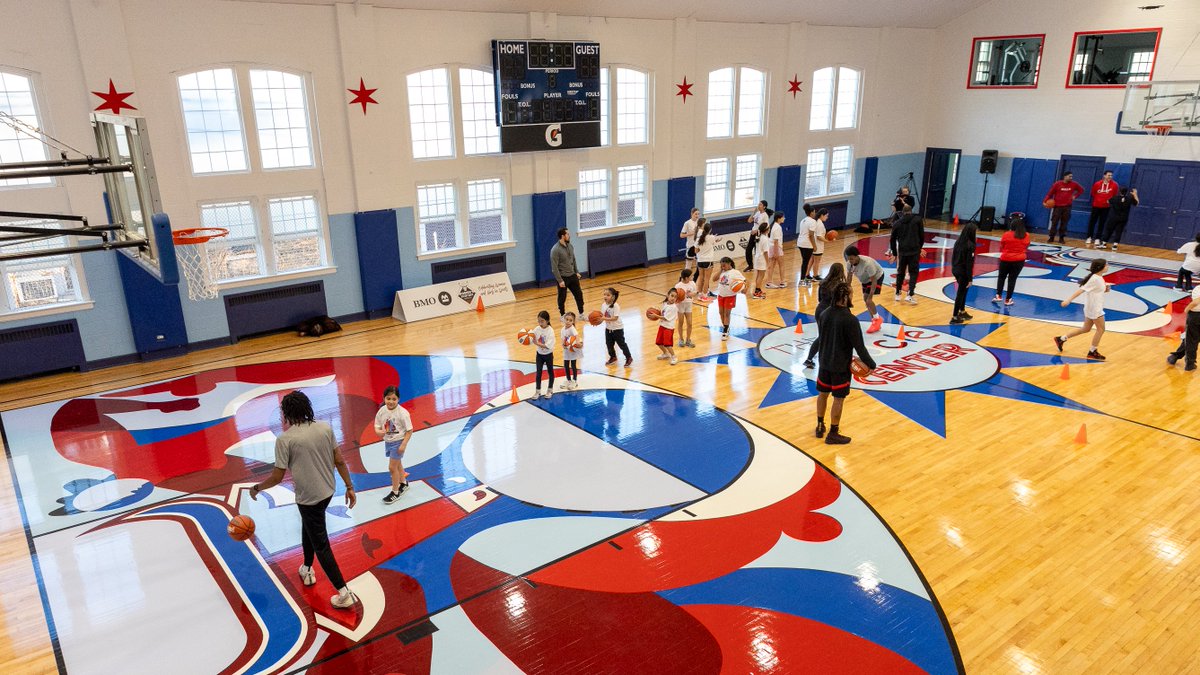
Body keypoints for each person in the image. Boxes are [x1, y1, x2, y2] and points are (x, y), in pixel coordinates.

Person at [250, 390, 358, 610]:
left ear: (287, 413)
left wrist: (257, 488)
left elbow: (277, 476)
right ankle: (307, 568)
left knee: (322, 544)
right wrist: (349, 486)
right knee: (310, 527)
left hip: (308, 498)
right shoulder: (325, 428)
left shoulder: (285, 439)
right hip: (328, 491)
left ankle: (343, 592)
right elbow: (339, 460)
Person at [810, 282, 877, 445]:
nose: (853, 297)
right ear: (845, 297)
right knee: (838, 399)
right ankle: (833, 433)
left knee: (822, 394)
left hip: (824, 363)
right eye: (851, 294)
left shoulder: (825, 314)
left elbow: (820, 339)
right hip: (840, 367)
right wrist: (871, 364)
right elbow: (859, 347)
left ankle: (820, 426)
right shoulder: (850, 320)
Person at [1055, 258, 1110, 361]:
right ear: (1100, 267)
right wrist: (1068, 300)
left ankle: (1061, 339)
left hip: (1091, 307)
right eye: (1106, 265)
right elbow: (1081, 290)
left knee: (1086, 329)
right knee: (1101, 329)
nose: (1108, 267)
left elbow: (1095, 291)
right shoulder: (1094, 278)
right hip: (1095, 308)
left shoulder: (1099, 277)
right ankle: (1092, 351)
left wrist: (1105, 290)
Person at [374, 385, 413, 504]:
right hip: (388, 441)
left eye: (394, 399)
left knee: (392, 467)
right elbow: (377, 425)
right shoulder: (382, 410)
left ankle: (395, 492)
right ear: (384, 398)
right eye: (388, 398)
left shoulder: (403, 413)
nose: (391, 401)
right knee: (398, 464)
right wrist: (378, 431)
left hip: (398, 442)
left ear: (398, 399)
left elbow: (409, 430)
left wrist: (404, 444)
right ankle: (404, 483)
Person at [803, 262, 846, 368]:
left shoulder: (823, 283)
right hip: (831, 312)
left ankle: (819, 357)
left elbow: (819, 299)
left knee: (824, 335)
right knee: (825, 337)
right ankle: (809, 359)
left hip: (820, 310)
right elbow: (841, 302)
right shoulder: (839, 286)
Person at [888, 205, 925, 305]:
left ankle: (898, 293)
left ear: (902, 212)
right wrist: (919, 247)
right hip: (914, 250)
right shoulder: (917, 220)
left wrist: (895, 253)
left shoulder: (897, 223)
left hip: (903, 251)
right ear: (911, 211)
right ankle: (910, 294)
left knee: (901, 271)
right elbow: (922, 236)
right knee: (913, 272)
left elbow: (892, 239)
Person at [844, 245, 885, 333]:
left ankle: (877, 320)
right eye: (848, 259)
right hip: (865, 279)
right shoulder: (849, 263)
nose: (850, 261)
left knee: (867, 299)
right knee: (865, 300)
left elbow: (874, 281)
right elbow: (849, 278)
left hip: (876, 277)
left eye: (851, 258)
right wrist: (846, 291)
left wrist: (870, 297)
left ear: (856, 256)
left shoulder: (867, 263)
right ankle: (875, 319)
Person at [993, 214, 1031, 306]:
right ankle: (1008, 299)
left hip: (1006, 259)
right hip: (1019, 260)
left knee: (1001, 277)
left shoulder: (1006, 235)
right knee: (1012, 279)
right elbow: (1027, 246)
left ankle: (998, 296)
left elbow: (1002, 246)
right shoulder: (1026, 235)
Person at [551, 228, 585, 318]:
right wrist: (560, 280)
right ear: (563, 236)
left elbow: (573, 260)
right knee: (562, 298)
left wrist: (576, 271)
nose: (569, 236)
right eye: (568, 234)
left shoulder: (570, 246)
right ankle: (562, 315)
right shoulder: (555, 250)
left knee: (579, 294)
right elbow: (554, 267)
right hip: (563, 278)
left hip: (572, 275)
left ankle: (581, 314)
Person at [1166, 285, 1200, 372]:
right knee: (1192, 339)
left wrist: (1186, 310)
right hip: (1197, 316)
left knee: (1191, 339)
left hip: (1195, 316)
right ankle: (1185, 361)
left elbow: (1195, 302)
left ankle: (1186, 362)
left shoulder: (1198, 289)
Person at [1044, 172, 1084, 244]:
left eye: (1072, 176)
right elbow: (1050, 193)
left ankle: (1061, 238)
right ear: (1065, 176)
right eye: (1070, 176)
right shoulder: (1057, 184)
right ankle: (1051, 237)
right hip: (1057, 207)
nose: (1071, 178)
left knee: (1064, 223)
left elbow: (1081, 190)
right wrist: (1045, 201)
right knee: (1054, 222)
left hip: (1067, 207)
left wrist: (1075, 196)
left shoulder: (1074, 184)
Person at [950, 223, 977, 324]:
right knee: (961, 293)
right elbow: (969, 264)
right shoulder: (970, 245)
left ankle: (962, 311)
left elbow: (953, 258)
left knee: (964, 291)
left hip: (956, 269)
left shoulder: (958, 242)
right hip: (963, 272)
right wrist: (970, 278)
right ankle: (954, 316)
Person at [714, 257, 746, 341]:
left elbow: (744, 280)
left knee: (727, 314)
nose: (723, 267)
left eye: (724, 265)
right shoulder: (722, 272)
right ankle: (726, 327)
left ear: (729, 264)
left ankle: (725, 331)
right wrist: (720, 270)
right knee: (721, 313)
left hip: (730, 296)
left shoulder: (735, 272)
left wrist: (743, 288)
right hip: (721, 295)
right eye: (721, 266)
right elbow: (714, 279)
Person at [601, 287, 633, 367]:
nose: (605, 296)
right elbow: (602, 316)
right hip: (608, 329)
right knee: (609, 344)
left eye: (608, 295)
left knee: (621, 344)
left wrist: (604, 318)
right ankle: (613, 357)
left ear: (613, 297)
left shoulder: (616, 306)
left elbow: (615, 318)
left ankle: (629, 357)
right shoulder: (603, 305)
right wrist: (596, 320)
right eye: (604, 294)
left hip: (617, 329)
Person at [1086, 170, 1119, 246]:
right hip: (1096, 206)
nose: (1110, 177)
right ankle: (1089, 237)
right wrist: (1099, 200)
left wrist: (1108, 201)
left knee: (1102, 223)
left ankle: (1098, 238)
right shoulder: (1097, 184)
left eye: (1111, 175)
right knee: (1092, 222)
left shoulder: (1114, 185)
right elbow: (1093, 193)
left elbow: (1114, 195)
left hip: (1106, 207)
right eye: (1108, 175)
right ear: (1104, 175)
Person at [531, 310, 556, 398]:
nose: (540, 323)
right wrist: (526, 337)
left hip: (548, 354)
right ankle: (538, 391)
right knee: (538, 373)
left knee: (550, 371)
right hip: (539, 354)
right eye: (539, 321)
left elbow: (547, 346)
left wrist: (536, 343)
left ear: (547, 321)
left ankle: (550, 390)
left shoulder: (550, 331)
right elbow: (531, 337)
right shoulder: (537, 329)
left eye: (542, 321)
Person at [654, 288, 679, 365]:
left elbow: (665, 317)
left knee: (667, 344)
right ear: (667, 295)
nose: (673, 298)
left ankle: (674, 356)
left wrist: (656, 316)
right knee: (658, 342)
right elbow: (662, 313)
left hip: (668, 328)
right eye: (672, 296)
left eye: (675, 297)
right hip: (662, 326)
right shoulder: (665, 303)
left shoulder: (673, 307)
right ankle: (665, 353)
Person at [694, 219, 717, 301]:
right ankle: (704, 295)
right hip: (708, 260)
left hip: (700, 260)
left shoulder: (698, 239)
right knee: (707, 279)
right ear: (710, 230)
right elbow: (714, 241)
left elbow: (696, 251)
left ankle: (700, 294)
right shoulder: (711, 237)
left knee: (701, 277)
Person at [674, 268, 696, 348]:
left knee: (689, 323)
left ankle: (688, 340)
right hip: (680, 305)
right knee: (681, 322)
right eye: (691, 276)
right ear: (686, 278)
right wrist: (679, 298)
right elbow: (675, 296)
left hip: (688, 305)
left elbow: (695, 292)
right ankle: (681, 339)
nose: (692, 277)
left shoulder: (692, 283)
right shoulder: (678, 286)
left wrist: (691, 294)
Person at [797, 204, 818, 285]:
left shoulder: (803, 220)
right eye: (814, 212)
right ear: (811, 212)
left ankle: (803, 278)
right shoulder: (813, 222)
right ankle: (802, 280)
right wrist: (814, 246)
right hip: (807, 244)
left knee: (805, 261)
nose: (815, 213)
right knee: (805, 262)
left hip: (800, 243)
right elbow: (811, 235)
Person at [561, 311, 582, 390]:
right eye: (567, 319)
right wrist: (563, 344)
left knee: (573, 365)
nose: (568, 322)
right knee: (566, 365)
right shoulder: (562, 329)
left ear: (573, 322)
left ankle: (575, 380)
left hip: (573, 350)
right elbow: (563, 339)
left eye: (570, 320)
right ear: (564, 319)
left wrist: (577, 342)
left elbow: (576, 335)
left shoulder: (572, 328)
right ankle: (568, 380)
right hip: (566, 350)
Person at [766, 211, 787, 288]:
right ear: (779, 218)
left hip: (771, 247)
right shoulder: (778, 227)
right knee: (781, 265)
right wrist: (776, 252)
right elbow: (776, 241)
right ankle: (782, 282)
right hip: (776, 248)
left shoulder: (773, 226)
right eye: (783, 217)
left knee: (771, 266)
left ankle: (769, 282)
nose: (784, 218)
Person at [750, 222, 769, 299]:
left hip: (757, 258)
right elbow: (765, 252)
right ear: (767, 230)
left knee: (758, 276)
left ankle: (758, 289)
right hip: (762, 259)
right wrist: (768, 262)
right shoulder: (765, 239)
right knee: (761, 276)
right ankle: (757, 292)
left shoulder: (759, 237)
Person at [810, 208, 829, 282]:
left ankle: (809, 275)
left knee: (813, 261)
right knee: (816, 261)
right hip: (818, 246)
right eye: (826, 216)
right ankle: (815, 276)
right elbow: (819, 236)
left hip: (815, 245)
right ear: (822, 215)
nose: (827, 217)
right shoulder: (820, 224)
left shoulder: (817, 222)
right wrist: (827, 241)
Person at [680, 207, 700, 272]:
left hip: (698, 246)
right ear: (692, 214)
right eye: (695, 214)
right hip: (690, 246)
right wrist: (691, 233)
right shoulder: (687, 223)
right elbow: (681, 235)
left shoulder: (700, 222)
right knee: (688, 266)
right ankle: (684, 279)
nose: (697, 216)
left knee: (699, 264)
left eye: (698, 214)